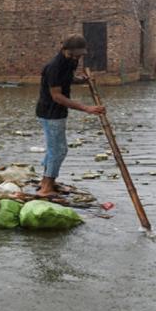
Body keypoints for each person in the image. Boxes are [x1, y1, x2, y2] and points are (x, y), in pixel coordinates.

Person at [35, 35, 106, 198]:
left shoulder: (71, 62)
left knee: (54, 149)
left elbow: (67, 79)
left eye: (79, 55)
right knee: (59, 150)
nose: (76, 58)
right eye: (73, 55)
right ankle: (46, 187)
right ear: (64, 50)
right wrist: (87, 108)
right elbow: (57, 96)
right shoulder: (54, 67)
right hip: (50, 112)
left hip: (58, 112)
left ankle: (46, 181)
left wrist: (81, 80)